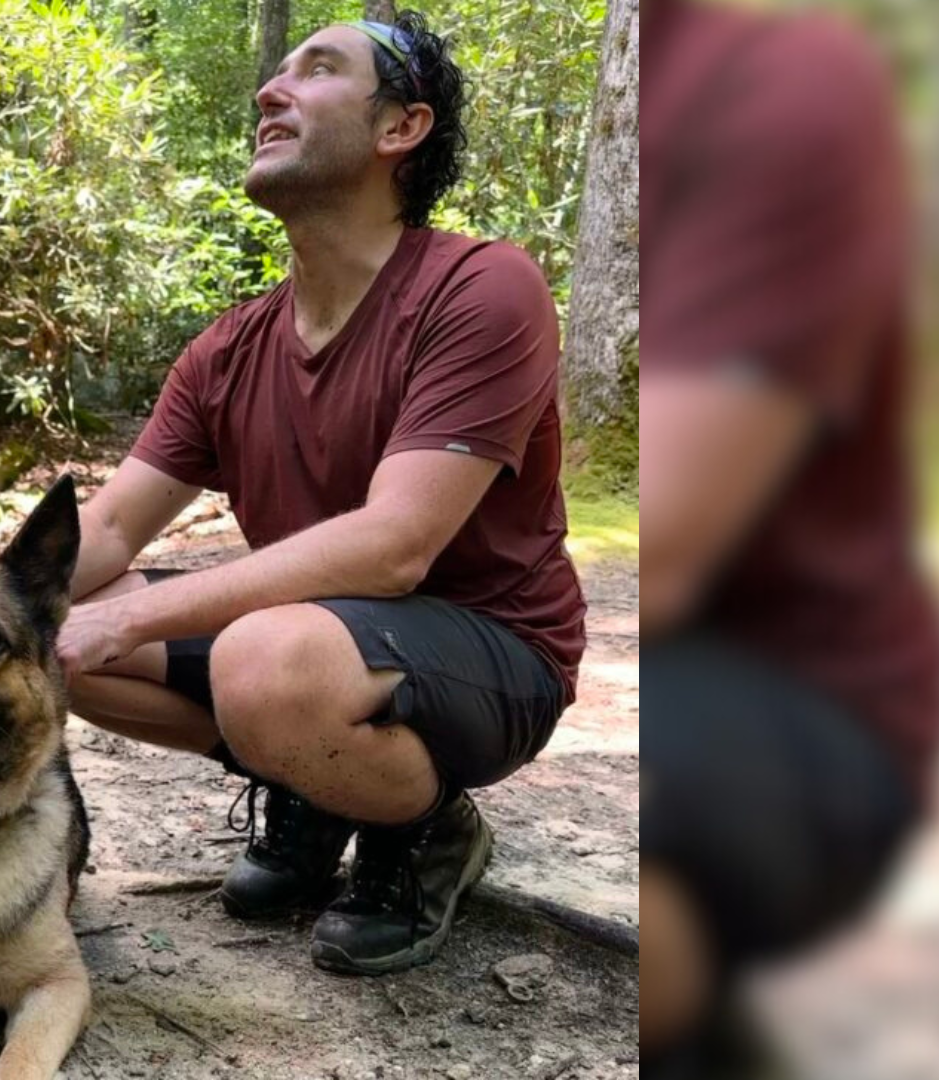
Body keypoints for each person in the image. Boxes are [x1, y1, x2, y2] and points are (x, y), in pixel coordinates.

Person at [57, 13, 585, 976]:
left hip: (495, 653)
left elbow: (395, 547)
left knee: (254, 656)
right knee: (49, 635)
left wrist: (127, 620)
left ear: (400, 128)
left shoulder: (481, 287)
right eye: (279, 73)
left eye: (319, 70)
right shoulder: (229, 349)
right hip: (313, 642)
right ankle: (316, 783)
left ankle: (428, 829)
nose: (271, 89)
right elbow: (113, 524)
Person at [641, 2, 939, 1073]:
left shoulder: (780, 88)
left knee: (647, 835)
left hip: (816, 691)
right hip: (681, 664)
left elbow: (663, 552)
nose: (273, 90)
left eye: (315, 67)